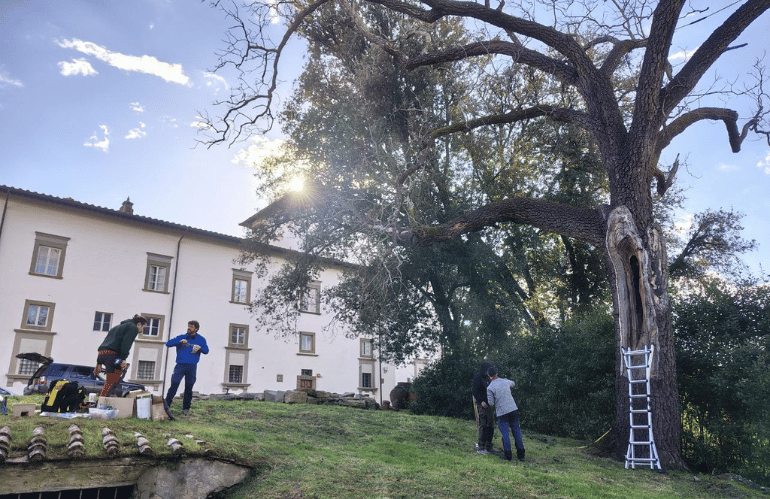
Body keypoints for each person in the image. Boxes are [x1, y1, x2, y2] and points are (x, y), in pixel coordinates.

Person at [95, 314, 147, 397]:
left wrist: (99, 362)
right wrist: (123, 358)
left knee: (111, 380)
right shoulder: (133, 328)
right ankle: (102, 402)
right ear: (139, 324)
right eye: (143, 328)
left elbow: (105, 342)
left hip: (102, 353)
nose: (141, 331)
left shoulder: (116, 327)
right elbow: (126, 344)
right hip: (112, 354)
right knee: (112, 381)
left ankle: (104, 398)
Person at [164, 320, 209, 416]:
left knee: (189, 387)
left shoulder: (201, 339)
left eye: (191, 327)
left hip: (192, 366)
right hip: (180, 365)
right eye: (188, 326)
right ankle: (166, 405)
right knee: (174, 384)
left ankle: (185, 409)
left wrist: (200, 348)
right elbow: (168, 343)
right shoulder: (182, 337)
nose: (189, 328)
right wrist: (179, 342)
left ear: (196, 329)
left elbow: (206, 351)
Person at [486, 366, 525, 462]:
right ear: (497, 373)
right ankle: (521, 455)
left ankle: (508, 455)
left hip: (502, 412)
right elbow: (513, 383)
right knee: (516, 431)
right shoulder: (505, 381)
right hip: (512, 409)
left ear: (489, 376)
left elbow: (491, 403)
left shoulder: (490, 387)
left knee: (505, 433)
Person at [472, 361, 496, 454]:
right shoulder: (478, 377)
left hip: (490, 403)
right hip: (483, 403)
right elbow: (474, 390)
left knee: (490, 424)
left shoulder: (488, 377)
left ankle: (489, 445)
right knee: (484, 423)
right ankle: (482, 445)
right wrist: (481, 401)